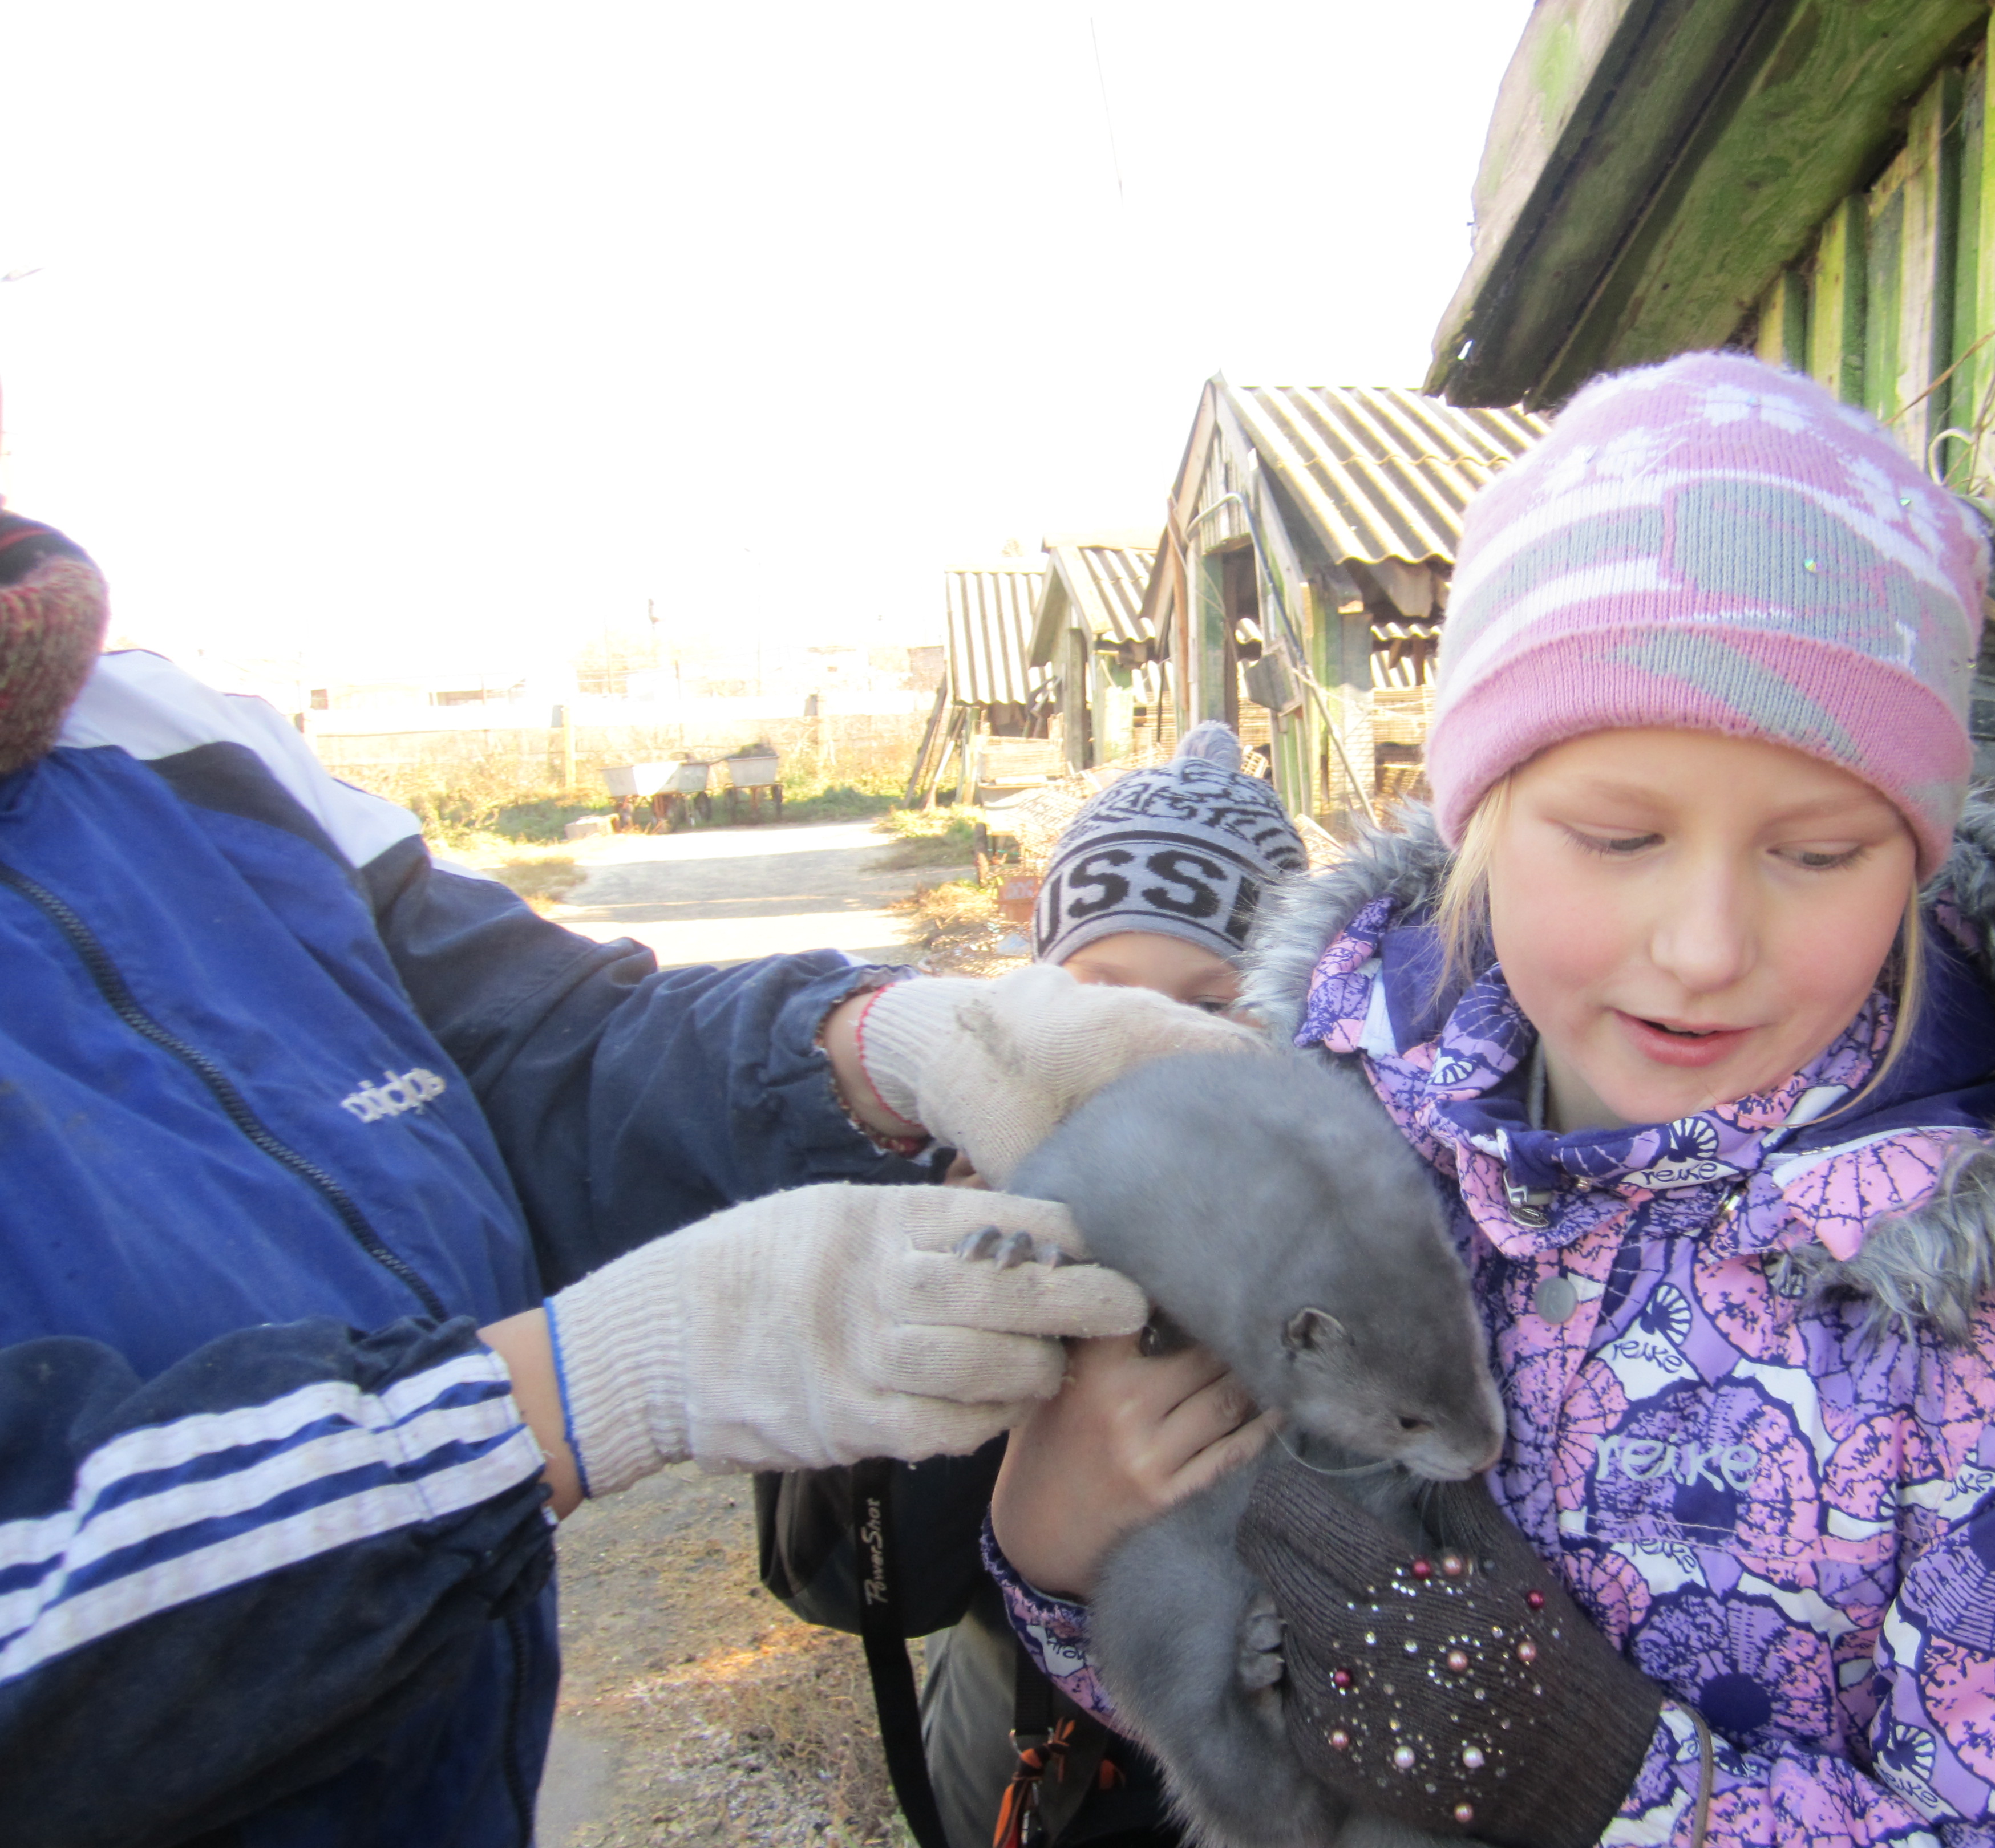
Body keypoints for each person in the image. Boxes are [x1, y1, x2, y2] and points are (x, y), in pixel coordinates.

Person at [982, 354, 1995, 1845]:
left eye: (1817, 854)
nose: (1704, 949)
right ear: (1481, 815)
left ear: (1921, 854)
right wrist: (1055, 1555)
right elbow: (1210, 1690)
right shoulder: (1324, 1145)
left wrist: (1629, 1792)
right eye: (1619, 836)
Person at [0, 509, 1253, 1848]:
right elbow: (859, 1577)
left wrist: (868, 1047)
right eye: (1102, 987)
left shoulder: (170, 731)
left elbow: (535, 1044)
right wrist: (600, 1378)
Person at [759, 720, 1307, 1848]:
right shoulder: (940, 1197)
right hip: (1020, 1771)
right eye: (1099, 995)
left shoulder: (1345, 1229)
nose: (1143, 1050)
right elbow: (844, 1586)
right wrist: (949, 1317)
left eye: (1207, 1009)